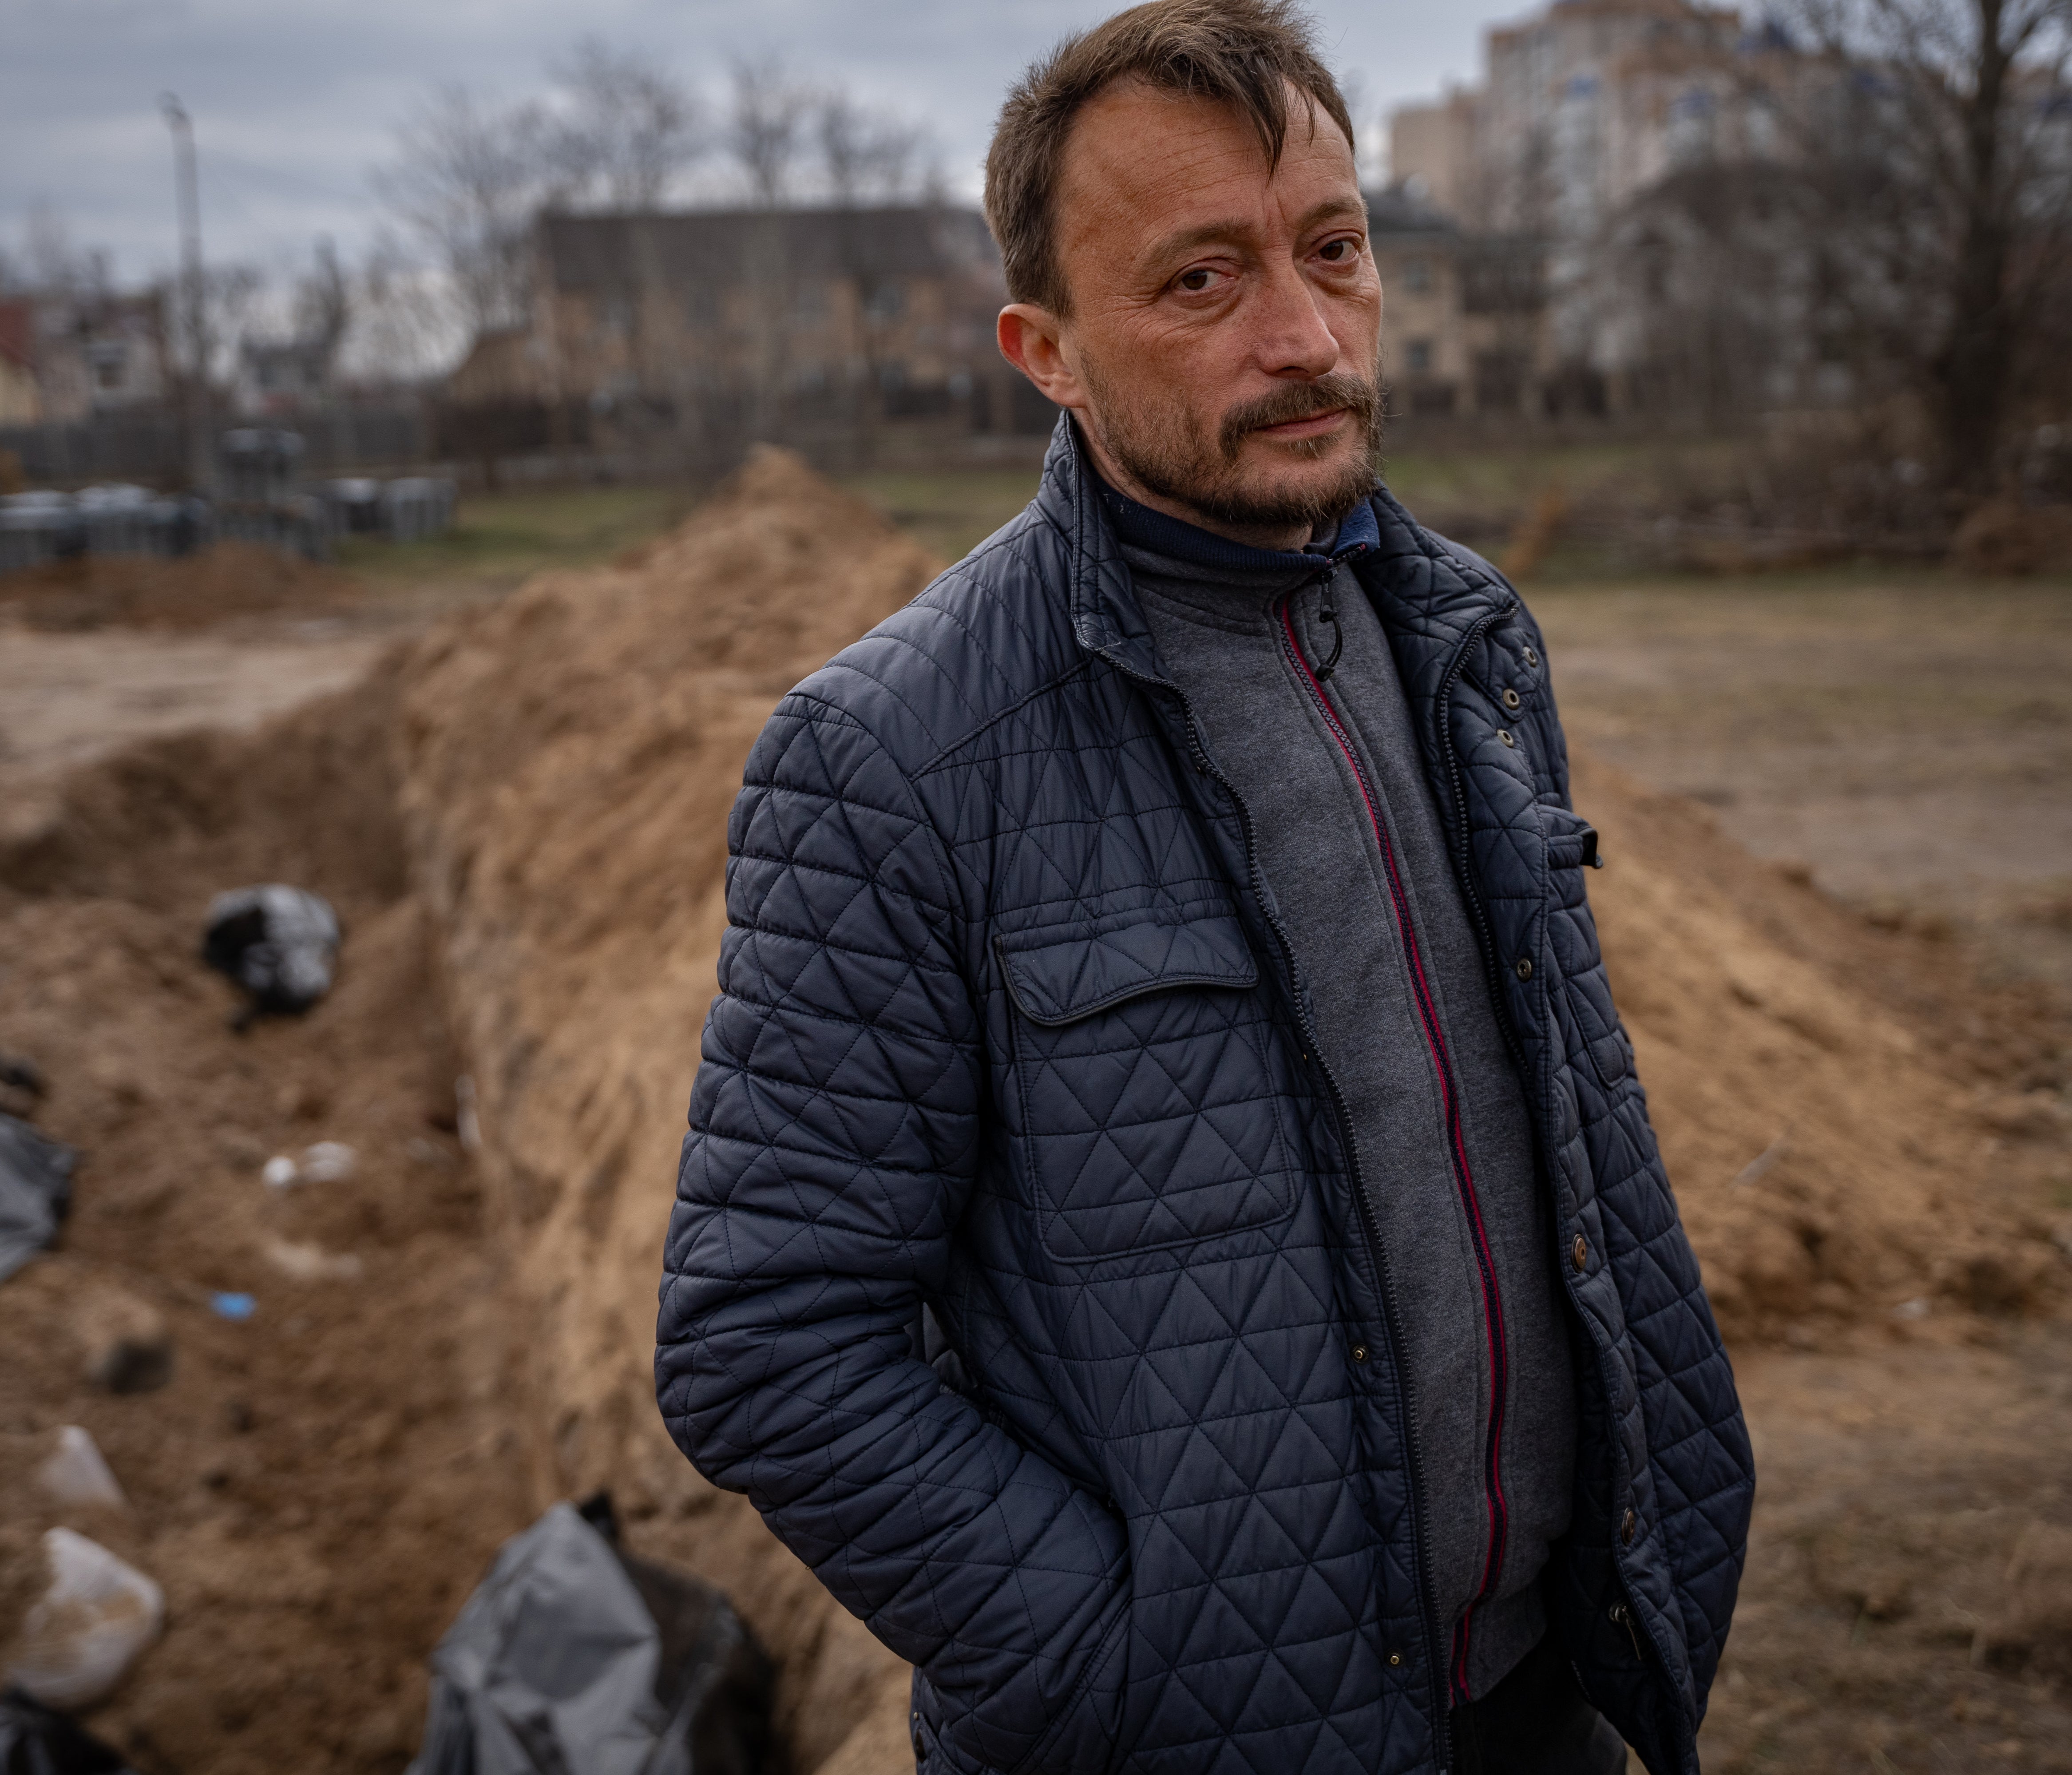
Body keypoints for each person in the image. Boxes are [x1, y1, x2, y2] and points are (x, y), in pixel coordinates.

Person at [654, 4, 1752, 1771]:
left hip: (1551, 1694)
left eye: (1333, 249)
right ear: (1050, 350)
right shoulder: (893, 755)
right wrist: (1112, 1659)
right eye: (1201, 281)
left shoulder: (1467, 641)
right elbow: (762, 1335)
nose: (1307, 336)